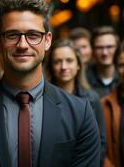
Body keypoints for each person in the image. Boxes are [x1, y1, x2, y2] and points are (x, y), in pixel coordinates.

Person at [0, 0, 100, 167]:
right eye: (12, 35)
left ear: (47, 41)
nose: (23, 45)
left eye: (33, 35)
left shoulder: (80, 113)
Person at [45, 38, 106, 166]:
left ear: (78, 65)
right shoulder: (42, 98)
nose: (63, 67)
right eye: (57, 62)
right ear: (51, 67)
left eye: (69, 61)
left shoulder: (92, 98)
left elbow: (100, 142)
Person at [87, 26, 120, 98]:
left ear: (117, 48)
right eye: (99, 48)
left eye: (109, 47)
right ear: (92, 50)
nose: (105, 53)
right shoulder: (83, 81)